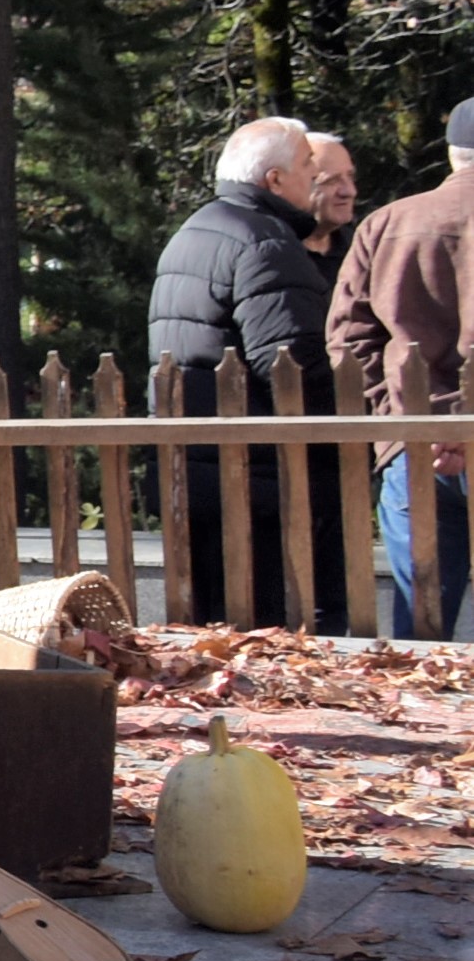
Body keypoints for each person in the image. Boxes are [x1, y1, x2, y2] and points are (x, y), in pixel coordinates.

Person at [148, 115, 344, 629]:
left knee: (212, 632)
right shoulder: (266, 242)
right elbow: (289, 366)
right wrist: (345, 430)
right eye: (308, 165)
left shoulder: (193, 232)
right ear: (274, 179)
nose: (316, 177)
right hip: (254, 474)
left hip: (195, 465)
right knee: (262, 633)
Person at [321, 96, 474, 637]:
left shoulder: (387, 223)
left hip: (415, 443)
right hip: (431, 436)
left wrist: (400, 416)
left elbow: (348, 340)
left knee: (422, 630)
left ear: (452, 154)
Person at [303, 133, 359, 275]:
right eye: (331, 181)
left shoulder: (360, 249)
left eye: (350, 176)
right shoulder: (274, 253)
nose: (350, 191)